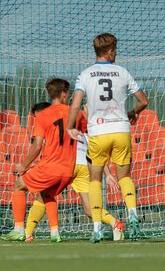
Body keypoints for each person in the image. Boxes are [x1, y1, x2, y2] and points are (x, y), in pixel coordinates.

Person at [67, 33, 149, 243]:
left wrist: (70, 126)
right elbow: (143, 101)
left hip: (98, 132)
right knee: (124, 177)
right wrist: (131, 113)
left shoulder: (85, 74)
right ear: (111, 50)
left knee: (95, 180)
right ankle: (132, 214)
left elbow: (76, 105)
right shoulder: (122, 72)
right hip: (121, 130)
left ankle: (97, 228)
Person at [23, 103, 125, 242]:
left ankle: (28, 234)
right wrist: (107, 173)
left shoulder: (51, 125)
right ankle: (115, 223)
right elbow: (94, 150)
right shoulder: (77, 123)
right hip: (84, 166)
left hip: (67, 164)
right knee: (89, 209)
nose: (37, 119)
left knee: (43, 195)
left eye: (37, 116)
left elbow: (44, 148)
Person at [1, 78, 76, 243]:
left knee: (18, 185)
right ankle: (55, 233)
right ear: (63, 94)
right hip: (70, 170)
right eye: (68, 92)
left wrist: (23, 164)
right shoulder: (76, 113)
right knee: (46, 194)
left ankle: (19, 230)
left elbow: (36, 147)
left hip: (52, 167)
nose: (69, 96)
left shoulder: (43, 116)